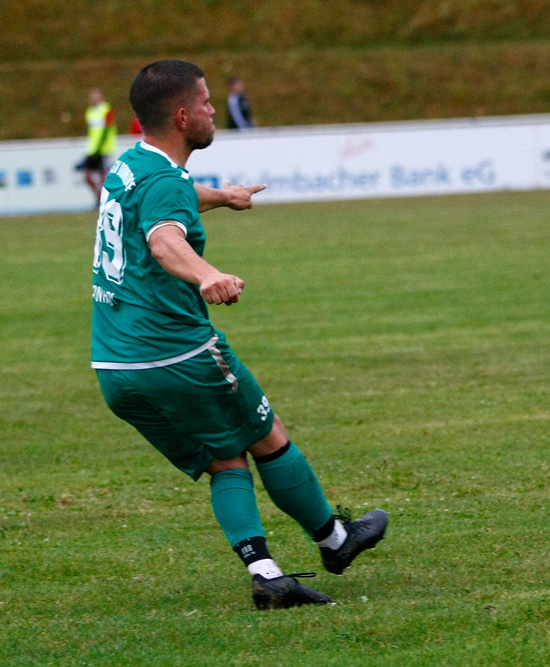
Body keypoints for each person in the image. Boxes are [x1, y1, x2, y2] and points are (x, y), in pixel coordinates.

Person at [90, 59, 387, 610]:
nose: (211, 111)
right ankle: (336, 541)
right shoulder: (161, 184)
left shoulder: (130, 166)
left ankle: (270, 573)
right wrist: (208, 275)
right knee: (266, 434)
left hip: (114, 366)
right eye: (204, 103)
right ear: (182, 116)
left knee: (227, 458)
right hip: (176, 354)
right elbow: (162, 238)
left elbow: (169, 196)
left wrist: (222, 197)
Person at [82, 88, 118, 207]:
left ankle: (104, 200)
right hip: (92, 149)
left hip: (104, 148)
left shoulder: (107, 110)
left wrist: (99, 146)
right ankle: (99, 196)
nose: (93, 98)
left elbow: (107, 129)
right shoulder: (89, 111)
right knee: (87, 174)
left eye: (96, 96)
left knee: (104, 175)